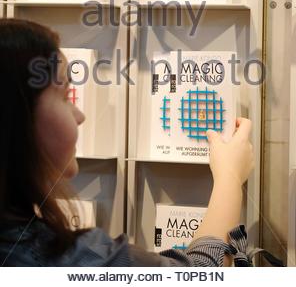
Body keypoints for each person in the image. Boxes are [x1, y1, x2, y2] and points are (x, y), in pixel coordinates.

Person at [0, 18, 254, 267]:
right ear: (16, 116)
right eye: (66, 96)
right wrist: (229, 177)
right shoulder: (71, 261)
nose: (80, 115)